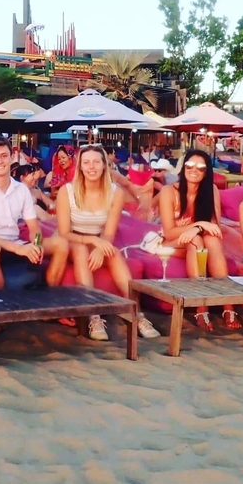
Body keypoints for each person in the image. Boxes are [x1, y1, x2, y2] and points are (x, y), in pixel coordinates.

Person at [56, 144, 160, 341]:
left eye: (96, 162)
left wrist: (100, 247)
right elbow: (64, 232)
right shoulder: (67, 191)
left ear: (104, 165)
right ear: (80, 166)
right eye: (86, 162)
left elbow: (109, 232)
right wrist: (93, 241)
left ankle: (137, 314)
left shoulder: (115, 192)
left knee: (114, 253)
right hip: (72, 239)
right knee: (80, 250)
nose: (91, 167)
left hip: (99, 239)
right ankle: (93, 315)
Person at [0, 136, 69, 293]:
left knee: (61, 244)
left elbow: (34, 227)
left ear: (11, 157)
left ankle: (50, 297)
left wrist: (36, 244)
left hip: (15, 243)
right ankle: (0, 303)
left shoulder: (21, 190)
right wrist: (16, 248)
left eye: (4, 156)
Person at [159, 149, 240, 331]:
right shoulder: (169, 191)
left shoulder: (211, 190)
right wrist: (199, 224)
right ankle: (201, 308)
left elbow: (215, 228)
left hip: (198, 241)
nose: (194, 170)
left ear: (206, 171)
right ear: (183, 167)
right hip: (172, 242)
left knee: (210, 240)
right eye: (189, 165)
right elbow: (170, 232)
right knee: (196, 240)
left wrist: (197, 228)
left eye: (200, 167)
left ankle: (228, 306)